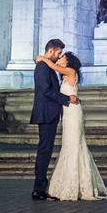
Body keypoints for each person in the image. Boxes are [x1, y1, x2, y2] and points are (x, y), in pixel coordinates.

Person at [35, 50, 107, 201]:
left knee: (74, 146)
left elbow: (53, 66)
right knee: (69, 146)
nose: (60, 57)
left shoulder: (70, 71)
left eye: (62, 56)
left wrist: (42, 58)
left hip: (73, 114)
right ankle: (72, 183)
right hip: (68, 114)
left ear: (68, 62)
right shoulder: (65, 74)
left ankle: (75, 185)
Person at [30, 39, 75, 201]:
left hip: (49, 113)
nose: (59, 55)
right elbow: (46, 91)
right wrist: (66, 99)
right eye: (58, 53)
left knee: (46, 150)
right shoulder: (42, 67)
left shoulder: (45, 65)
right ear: (51, 51)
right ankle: (38, 189)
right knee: (44, 150)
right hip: (46, 113)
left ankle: (40, 188)